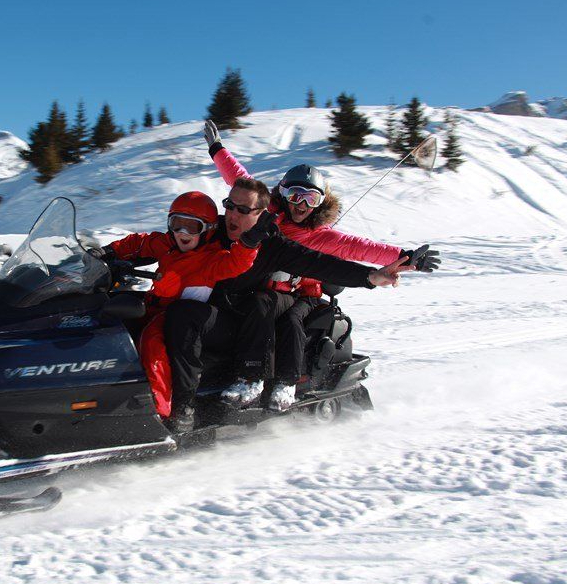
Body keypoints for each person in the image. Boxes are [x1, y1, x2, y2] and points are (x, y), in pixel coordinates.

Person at [202, 120, 440, 410]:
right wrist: (217, 149)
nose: (301, 204)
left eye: (310, 198)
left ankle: (283, 382)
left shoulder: (320, 236)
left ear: (319, 203)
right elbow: (239, 178)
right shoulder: (269, 216)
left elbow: (360, 247)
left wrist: (405, 255)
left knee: (286, 319)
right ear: (283, 194)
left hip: (301, 295)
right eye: (295, 195)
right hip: (261, 287)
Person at [163, 178, 412, 431]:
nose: (232, 214)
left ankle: (189, 407)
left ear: (261, 214)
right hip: (220, 315)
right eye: (229, 205)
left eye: (242, 210)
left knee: (251, 304)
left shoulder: (273, 245)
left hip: (247, 325)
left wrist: (370, 277)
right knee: (176, 313)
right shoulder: (211, 229)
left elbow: (320, 263)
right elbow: (167, 241)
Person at [94, 191, 276, 426]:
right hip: (153, 307)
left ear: (208, 228)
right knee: (112, 316)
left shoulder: (213, 258)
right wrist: (107, 252)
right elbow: (140, 242)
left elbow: (237, 262)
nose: (183, 233)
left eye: (192, 226)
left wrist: (250, 243)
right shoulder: (169, 245)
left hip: (178, 317)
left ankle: (165, 409)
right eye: (177, 224)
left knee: (152, 344)